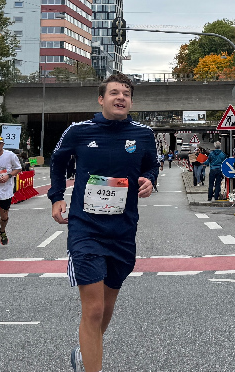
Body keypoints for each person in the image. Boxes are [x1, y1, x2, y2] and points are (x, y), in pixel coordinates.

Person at [49, 73, 158, 372]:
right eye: (114, 93)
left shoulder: (143, 135)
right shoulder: (78, 131)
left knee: (106, 308)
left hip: (123, 231)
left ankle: (83, 352)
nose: (121, 97)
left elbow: (152, 165)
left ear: (131, 101)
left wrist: (150, 180)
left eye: (126, 94)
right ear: (101, 99)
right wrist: (56, 197)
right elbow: (58, 162)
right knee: (94, 309)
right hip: (86, 228)